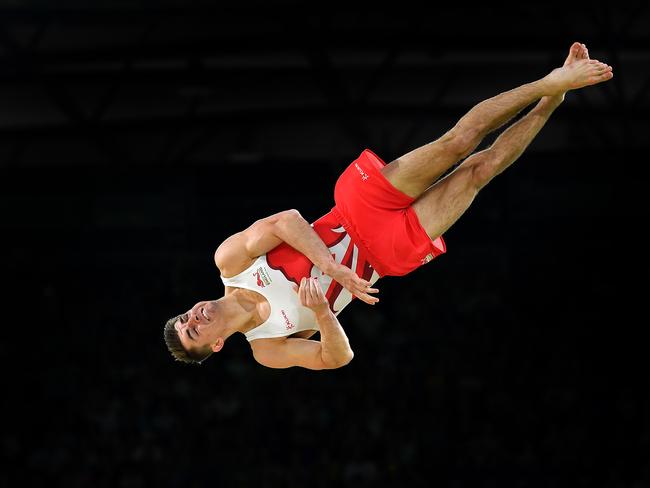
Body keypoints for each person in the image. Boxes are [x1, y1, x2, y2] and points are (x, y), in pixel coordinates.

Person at [163, 42, 612, 370]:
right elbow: (335, 358)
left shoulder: (230, 262)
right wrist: (321, 313)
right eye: (194, 331)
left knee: (456, 143)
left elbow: (286, 220)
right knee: (480, 170)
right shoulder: (267, 348)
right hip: (382, 255)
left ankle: (548, 80)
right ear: (215, 346)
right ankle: (555, 97)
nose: (196, 317)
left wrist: (331, 268)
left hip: (355, 210)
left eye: (186, 316)